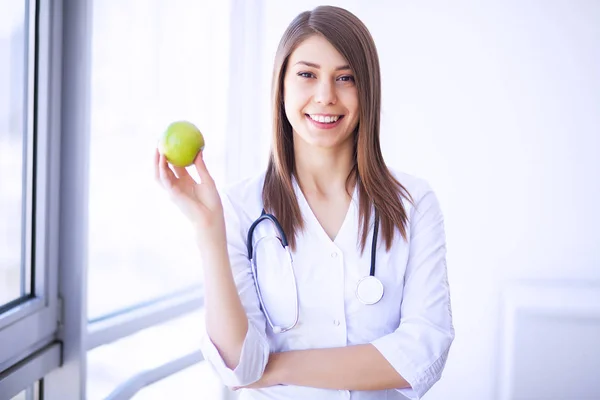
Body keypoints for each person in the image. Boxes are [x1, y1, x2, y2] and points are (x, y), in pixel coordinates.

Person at [155, 5, 454, 399]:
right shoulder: (238, 209)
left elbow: (423, 351)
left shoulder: (413, 203)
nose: (326, 96)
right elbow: (240, 365)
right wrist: (209, 232)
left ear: (368, 90)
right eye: (307, 75)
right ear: (281, 86)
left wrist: (277, 366)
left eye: (345, 78)